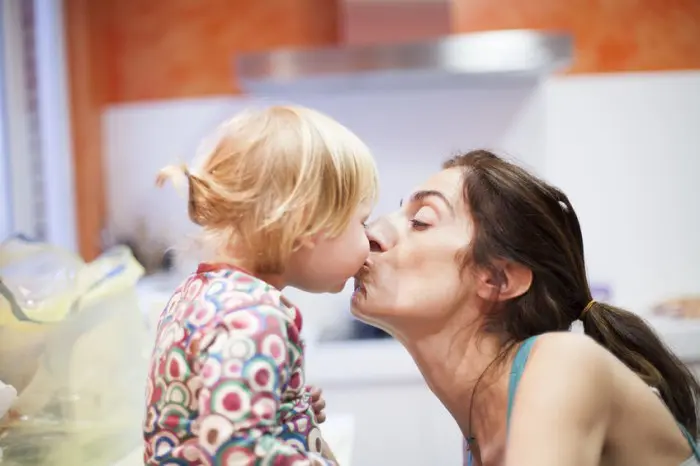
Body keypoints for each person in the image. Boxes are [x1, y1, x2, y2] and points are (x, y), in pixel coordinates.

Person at [351, 149, 700, 466]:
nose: (372, 231)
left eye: (421, 221)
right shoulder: (479, 431)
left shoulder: (563, 363)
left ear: (498, 279)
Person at [144, 105, 378, 465]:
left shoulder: (198, 294)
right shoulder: (255, 317)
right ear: (308, 224)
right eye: (361, 223)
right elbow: (235, 450)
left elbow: (207, 412)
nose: (370, 238)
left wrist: (288, 407)